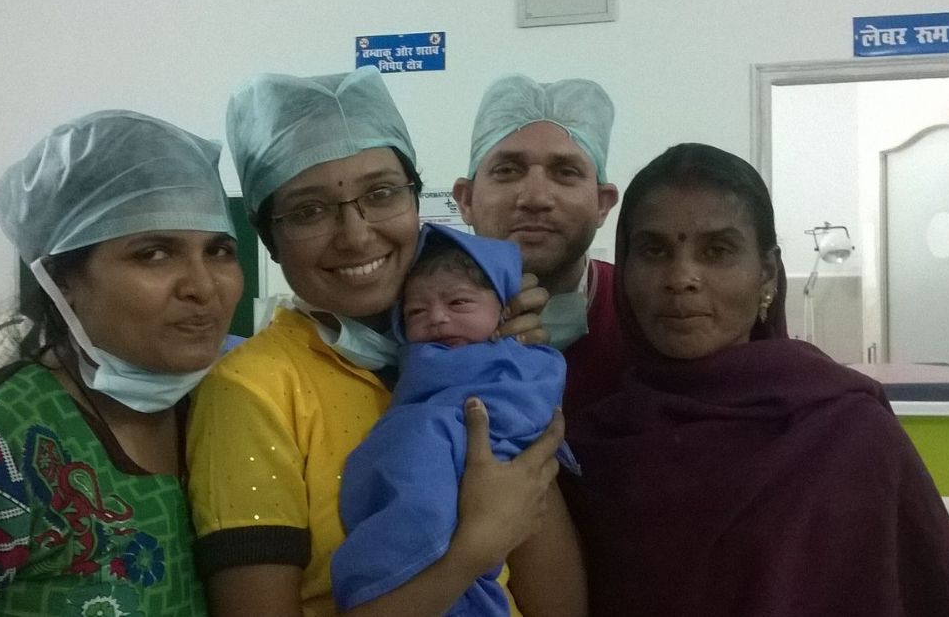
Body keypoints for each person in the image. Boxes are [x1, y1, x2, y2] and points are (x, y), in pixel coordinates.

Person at [188, 67, 576, 617]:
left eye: (381, 192)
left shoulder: (469, 350)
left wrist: (507, 365)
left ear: (416, 198)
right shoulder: (251, 392)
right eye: (308, 210)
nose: (356, 234)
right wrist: (470, 553)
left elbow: (555, 598)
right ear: (266, 235)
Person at [558, 143, 949, 616]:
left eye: (717, 251)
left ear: (766, 273)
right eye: (654, 250)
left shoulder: (849, 434)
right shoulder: (592, 445)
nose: (681, 277)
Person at [0, 110, 242, 614]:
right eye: (154, 254)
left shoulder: (224, 414)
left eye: (220, 251)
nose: (203, 286)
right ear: (62, 281)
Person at [332, 223, 583, 616]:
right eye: (415, 311)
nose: (437, 319)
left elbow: (527, 409)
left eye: (459, 304)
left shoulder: (521, 357)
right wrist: (473, 549)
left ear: (505, 310)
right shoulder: (398, 367)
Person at [452, 74, 628, 414]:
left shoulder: (641, 313)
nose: (534, 198)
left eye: (565, 172)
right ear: (466, 200)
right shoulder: (423, 318)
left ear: (602, 203)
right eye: (507, 170)